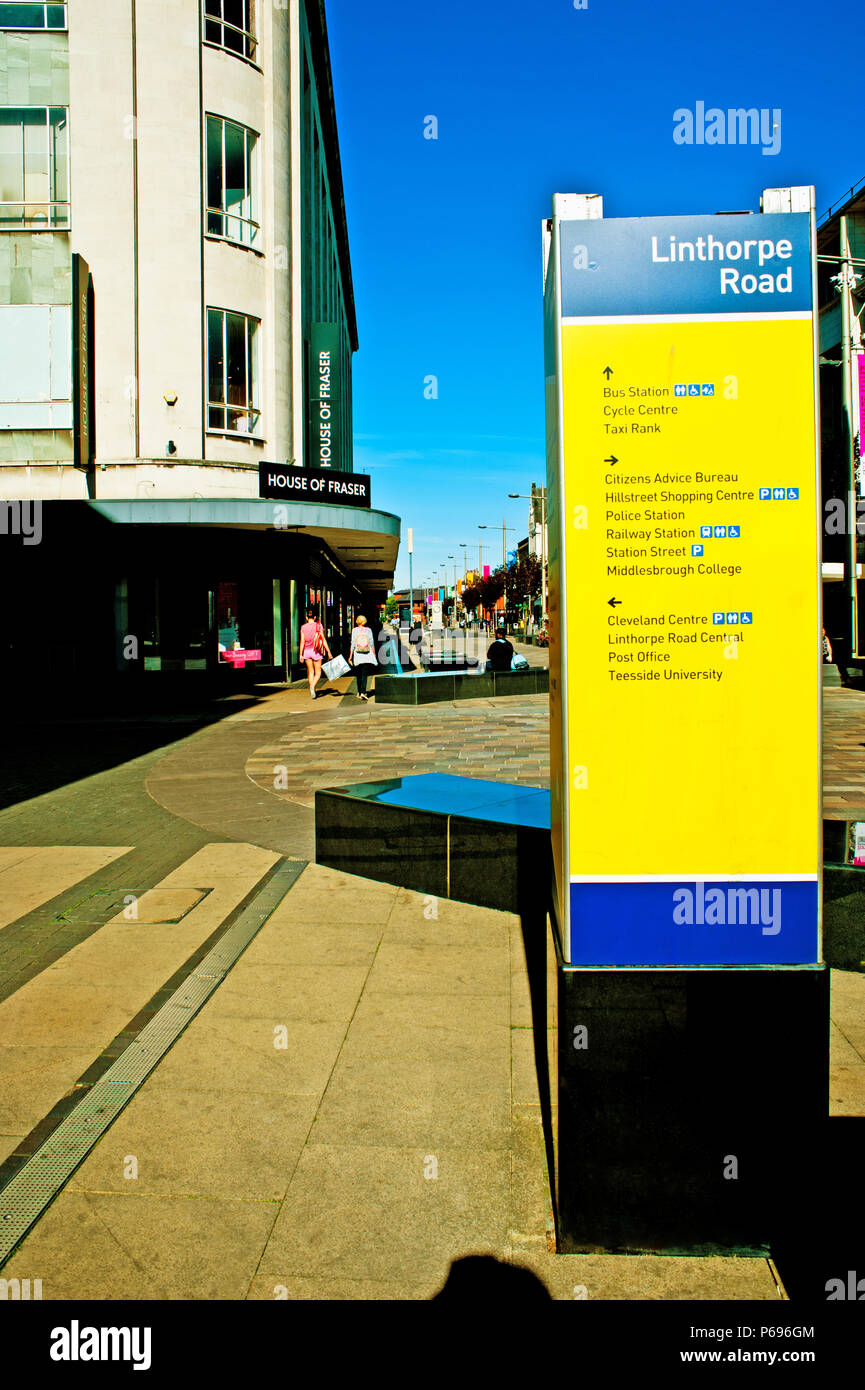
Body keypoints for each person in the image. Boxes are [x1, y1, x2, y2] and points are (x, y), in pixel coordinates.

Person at [300, 607, 331, 699]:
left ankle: (312, 689)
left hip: (306, 651)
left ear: (306, 617)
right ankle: (312, 686)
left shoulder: (303, 627)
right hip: (316, 651)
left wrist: (300, 654)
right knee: (318, 672)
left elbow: (302, 641)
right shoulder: (318, 625)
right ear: (314, 617)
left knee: (310, 672)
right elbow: (323, 639)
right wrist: (328, 652)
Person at [349, 613, 378, 700]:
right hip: (367, 653)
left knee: (358, 674)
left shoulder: (354, 630)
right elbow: (372, 643)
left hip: (357, 654)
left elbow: (353, 643)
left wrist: (350, 655)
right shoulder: (368, 630)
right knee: (364, 674)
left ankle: (359, 692)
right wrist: (374, 654)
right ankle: (363, 692)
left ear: (357, 622)